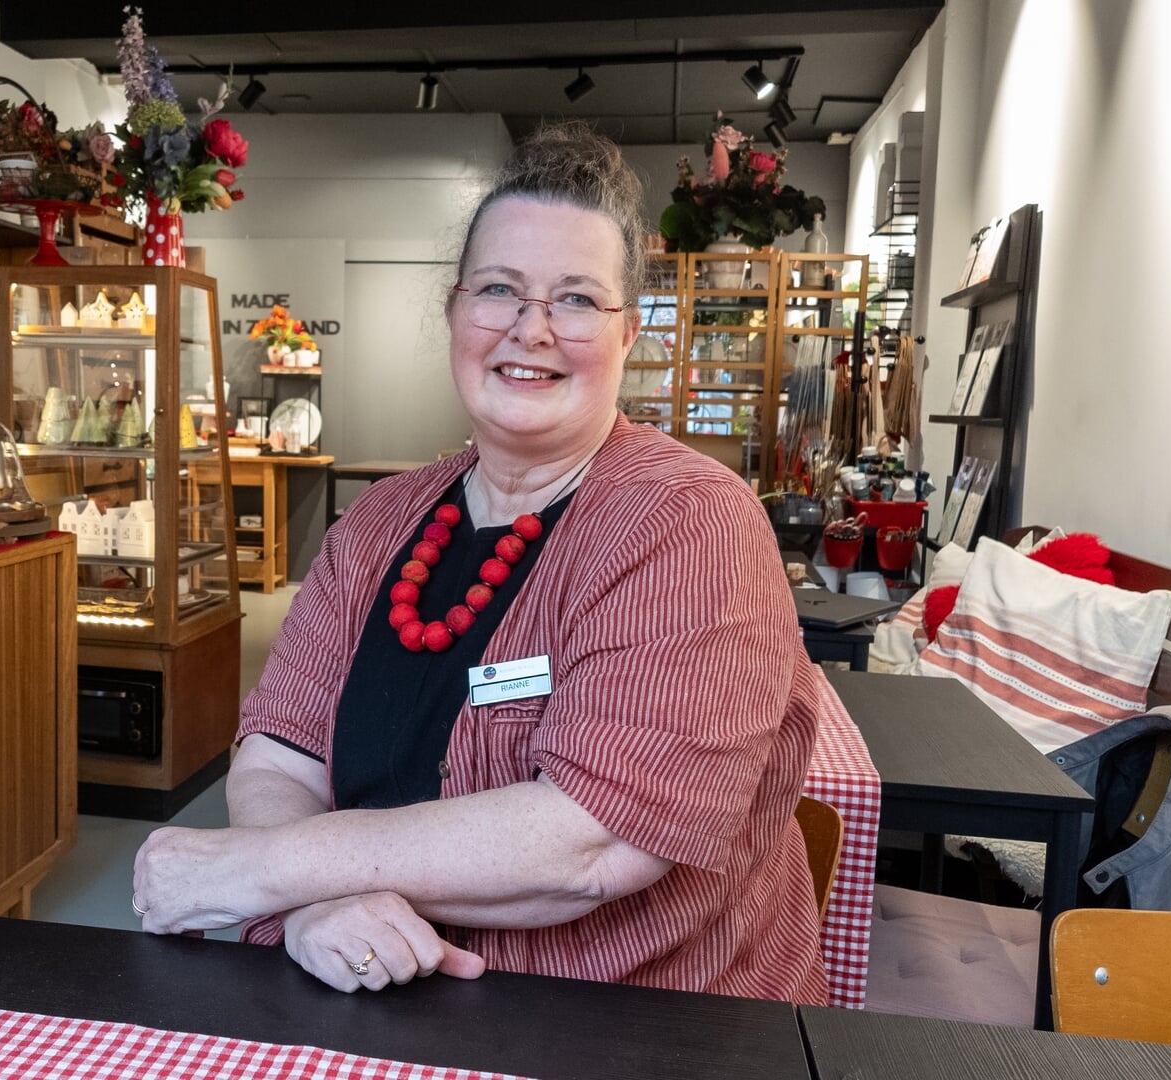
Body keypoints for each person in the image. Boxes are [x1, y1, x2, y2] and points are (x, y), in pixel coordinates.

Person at [132, 122, 838, 1005]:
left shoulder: (689, 522)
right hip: (375, 1005)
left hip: (639, 1029)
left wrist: (264, 874)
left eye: (576, 299)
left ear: (629, 334)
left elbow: (594, 842)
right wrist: (315, 906)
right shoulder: (379, 521)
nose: (530, 329)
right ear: (454, 313)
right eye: (498, 290)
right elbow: (280, 755)